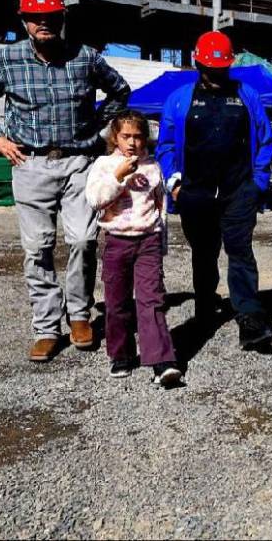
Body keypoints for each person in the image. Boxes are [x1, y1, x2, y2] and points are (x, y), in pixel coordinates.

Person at [0, 0, 130, 363]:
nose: (43, 23)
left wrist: (96, 127)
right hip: (30, 163)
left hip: (78, 162)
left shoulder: (85, 57)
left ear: (61, 18)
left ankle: (79, 315)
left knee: (83, 239)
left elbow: (119, 91)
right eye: (35, 17)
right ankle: (46, 327)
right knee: (38, 247)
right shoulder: (7, 60)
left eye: (50, 16)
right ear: (24, 21)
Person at [156, 30, 272, 350]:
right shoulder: (180, 98)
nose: (214, 74)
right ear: (198, 63)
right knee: (204, 254)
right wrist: (174, 184)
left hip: (238, 191)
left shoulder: (246, 95)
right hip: (195, 193)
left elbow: (265, 140)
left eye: (220, 68)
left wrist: (257, 183)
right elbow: (166, 146)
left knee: (240, 252)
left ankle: (250, 316)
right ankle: (205, 308)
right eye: (209, 68)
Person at [84, 110, 181, 387]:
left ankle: (162, 360)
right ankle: (121, 354)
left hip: (148, 241)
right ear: (115, 137)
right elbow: (95, 200)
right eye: (126, 136)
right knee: (117, 302)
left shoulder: (153, 166)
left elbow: (161, 208)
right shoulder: (104, 165)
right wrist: (118, 176)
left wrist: (161, 242)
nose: (132, 142)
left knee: (152, 300)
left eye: (138, 137)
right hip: (117, 242)